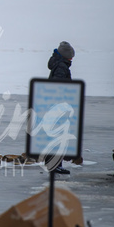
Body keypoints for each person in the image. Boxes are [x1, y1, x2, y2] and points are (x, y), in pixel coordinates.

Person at [47, 41, 76, 175]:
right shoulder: (61, 67)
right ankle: (55, 164)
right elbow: (58, 87)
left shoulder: (59, 65)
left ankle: (51, 162)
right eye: (70, 56)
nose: (72, 59)